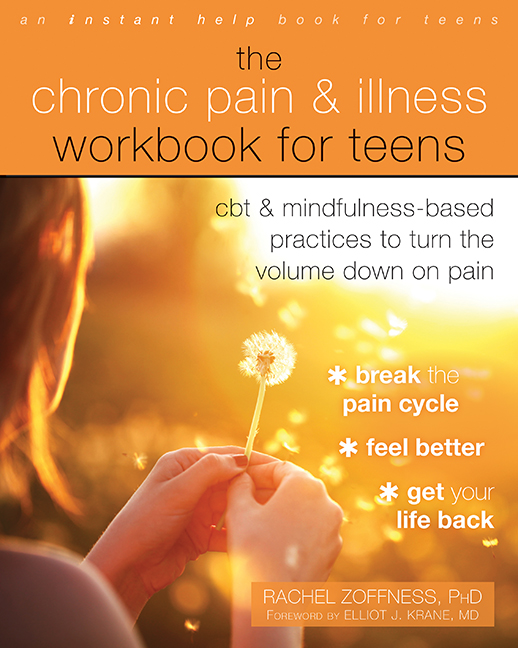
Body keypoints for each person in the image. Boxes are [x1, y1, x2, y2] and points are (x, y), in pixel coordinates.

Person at [0, 178, 343, 648]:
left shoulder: (42, 604)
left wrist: (123, 576)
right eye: (82, 272)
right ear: (29, 311)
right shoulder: (44, 597)